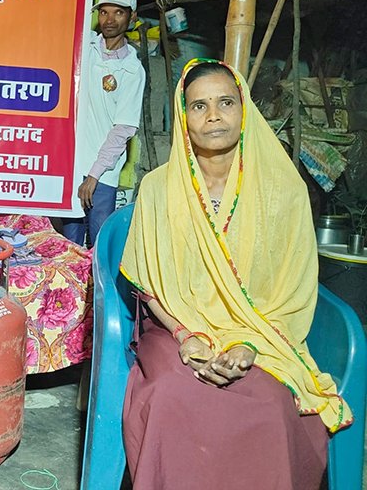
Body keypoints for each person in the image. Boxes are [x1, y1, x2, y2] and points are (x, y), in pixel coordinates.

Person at [120, 59, 352, 489]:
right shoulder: (157, 188)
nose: (213, 116)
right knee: (170, 395)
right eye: (199, 106)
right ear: (183, 117)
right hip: (176, 331)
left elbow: (294, 288)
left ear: (244, 109)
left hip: (261, 333)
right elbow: (149, 284)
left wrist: (249, 345)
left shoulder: (284, 191)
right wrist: (187, 337)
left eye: (225, 102)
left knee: (270, 406)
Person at [62, 0, 145, 247]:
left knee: (99, 245)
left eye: (118, 12)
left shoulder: (132, 70)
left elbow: (123, 129)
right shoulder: (84, 46)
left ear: (132, 17)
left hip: (102, 173)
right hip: (70, 165)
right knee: (68, 245)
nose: (109, 20)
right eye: (104, 12)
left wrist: (93, 175)